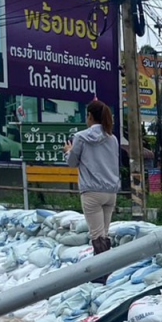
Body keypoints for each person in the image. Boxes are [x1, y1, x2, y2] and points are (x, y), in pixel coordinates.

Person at [64, 100, 121, 266]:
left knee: (97, 236)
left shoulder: (80, 137)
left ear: (89, 116)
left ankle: (102, 272)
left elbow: (72, 162)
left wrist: (68, 151)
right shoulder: (112, 139)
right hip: (111, 191)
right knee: (104, 233)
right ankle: (106, 269)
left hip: (91, 192)